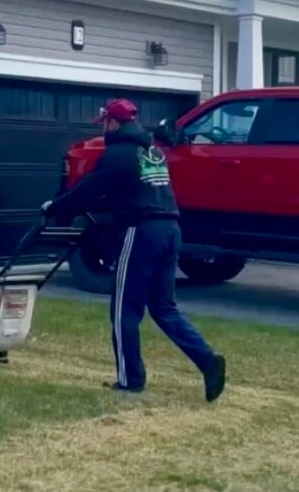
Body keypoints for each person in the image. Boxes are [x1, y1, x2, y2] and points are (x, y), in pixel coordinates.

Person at [42, 98, 226, 402]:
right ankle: (207, 360)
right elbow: (130, 188)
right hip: (171, 229)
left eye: (104, 123)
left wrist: (56, 207)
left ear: (114, 123)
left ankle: (130, 380)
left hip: (141, 232)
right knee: (164, 308)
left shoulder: (118, 153)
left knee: (124, 309)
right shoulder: (152, 152)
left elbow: (90, 188)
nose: (102, 128)